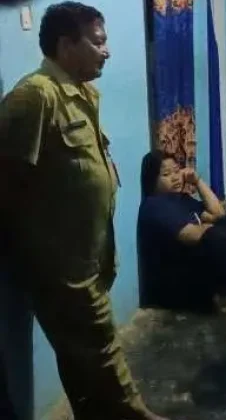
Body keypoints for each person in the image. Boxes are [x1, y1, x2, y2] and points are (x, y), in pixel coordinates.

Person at [0, 3, 166, 419]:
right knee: (103, 353)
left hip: (89, 258)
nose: (107, 51)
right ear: (66, 45)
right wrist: (40, 250)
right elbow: (9, 180)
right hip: (62, 268)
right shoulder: (36, 96)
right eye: (98, 42)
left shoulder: (82, 92)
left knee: (82, 363)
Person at [138, 151, 226, 315]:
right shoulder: (154, 205)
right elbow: (192, 235)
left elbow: (218, 213)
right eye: (166, 174)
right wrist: (213, 229)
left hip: (190, 274)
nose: (175, 177)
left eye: (176, 171)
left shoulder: (181, 199)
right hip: (172, 289)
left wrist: (198, 181)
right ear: (152, 180)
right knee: (216, 236)